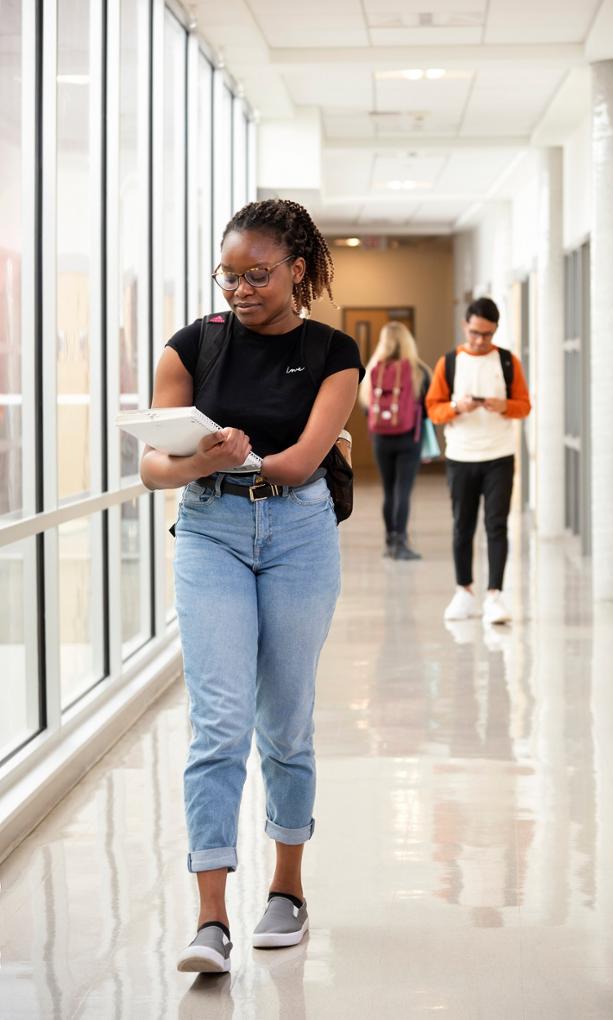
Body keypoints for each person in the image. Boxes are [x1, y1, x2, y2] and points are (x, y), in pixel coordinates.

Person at [140, 199, 363, 974]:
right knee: (219, 723)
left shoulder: (334, 353)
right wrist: (204, 463)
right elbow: (152, 468)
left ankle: (286, 893)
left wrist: (235, 455)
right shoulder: (191, 346)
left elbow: (302, 461)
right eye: (228, 274)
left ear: (298, 270)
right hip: (210, 532)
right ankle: (209, 921)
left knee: (286, 720)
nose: (240, 289)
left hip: (299, 532)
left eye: (257, 275)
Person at [425, 297, 531, 625]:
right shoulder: (449, 363)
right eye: (474, 333)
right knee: (463, 526)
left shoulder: (508, 362)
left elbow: (524, 406)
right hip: (461, 456)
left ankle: (495, 595)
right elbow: (433, 409)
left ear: (495, 330)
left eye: (486, 334)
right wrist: (457, 407)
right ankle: (464, 591)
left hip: (499, 456)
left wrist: (505, 407)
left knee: (496, 524)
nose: (479, 341)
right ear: (465, 327)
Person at [359, 321, 431, 560]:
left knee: (389, 491)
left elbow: (368, 408)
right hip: (409, 438)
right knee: (403, 490)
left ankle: (390, 541)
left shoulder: (373, 370)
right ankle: (401, 542)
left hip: (381, 438)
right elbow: (428, 408)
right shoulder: (418, 370)